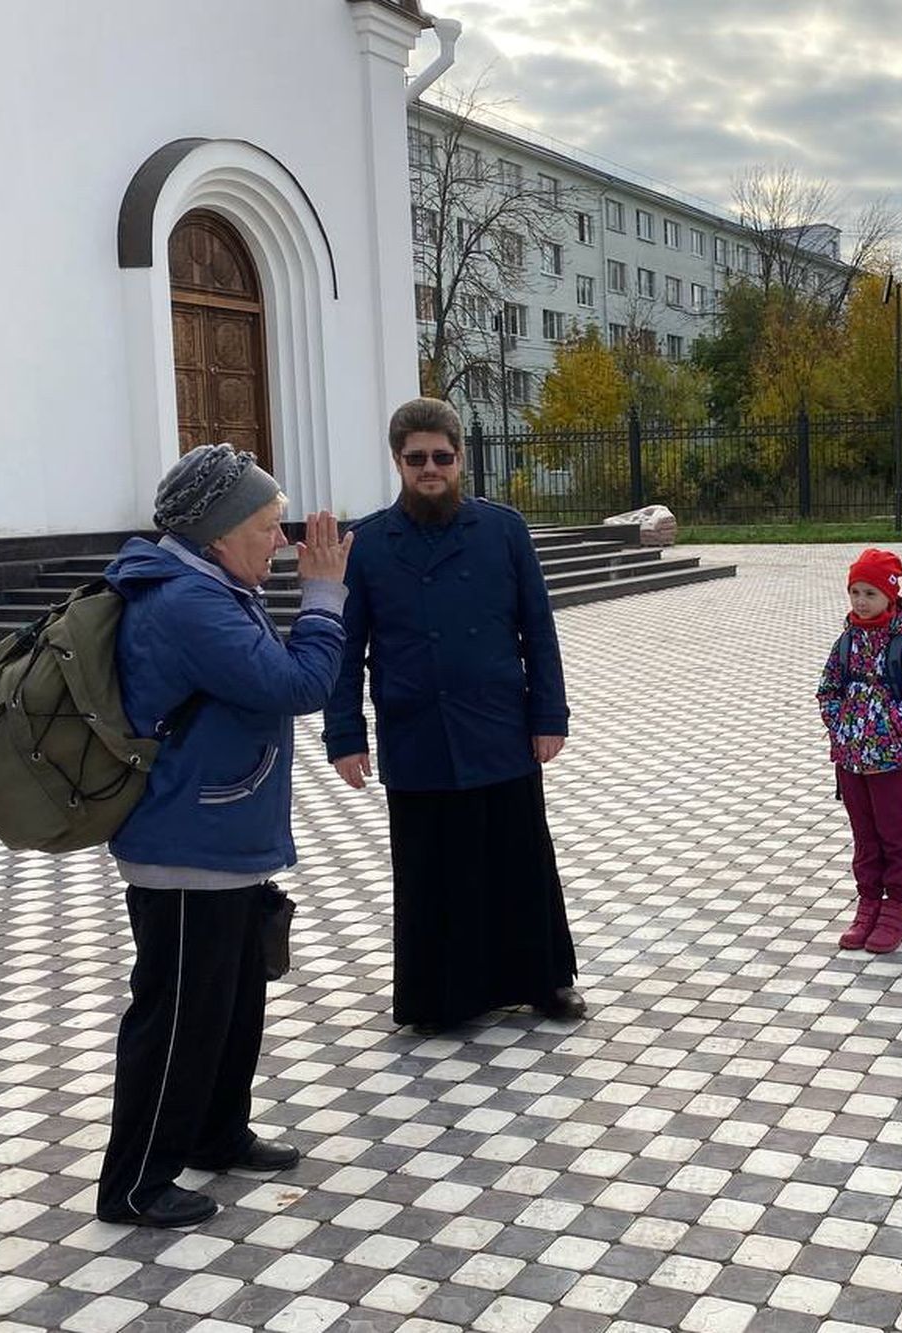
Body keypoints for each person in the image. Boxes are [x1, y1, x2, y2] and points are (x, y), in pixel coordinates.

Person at [96, 443, 352, 1228]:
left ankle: (215, 1131)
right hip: (186, 849)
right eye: (267, 526)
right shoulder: (188, 602)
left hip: (220, 838)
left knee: (231, 1005)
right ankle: (135, 1183)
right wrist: (323, 595)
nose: (280, 541)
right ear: (218, 532)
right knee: (177, 1017)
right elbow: (299, 684)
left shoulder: (214, 585)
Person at [324, 397, 581, 1033]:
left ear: (461, 458)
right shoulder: (369, 543)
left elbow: (538, 630)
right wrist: (345, 735)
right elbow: (345, 648)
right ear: (398, 462)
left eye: (442, 456)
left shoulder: (503, 530)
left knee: (519, 861)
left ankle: (544, 981)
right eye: (417, 459)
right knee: (431, 871)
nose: (430, 469)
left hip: (498, 726)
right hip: (417, 732)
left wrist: (549, 715)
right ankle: (441, 997)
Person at [818, 549, 902, 954]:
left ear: (890, 594)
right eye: (855, 592)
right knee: (865, 836)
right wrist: (841, 724)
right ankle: (868, 902)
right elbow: (828, 689)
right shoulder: (846, 642)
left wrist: (891, 725)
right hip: (851, 759)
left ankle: (894, 908)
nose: (861, 601)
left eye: (870, 593)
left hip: (893, 761)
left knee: (895, 834)